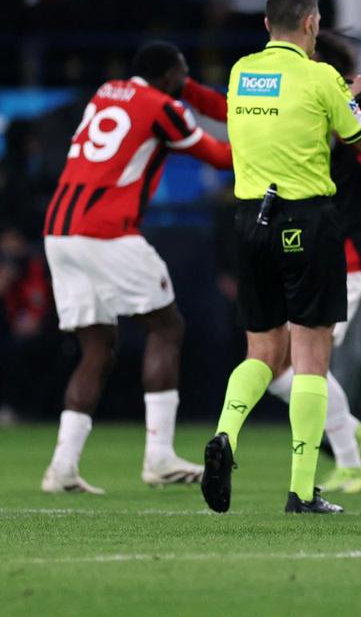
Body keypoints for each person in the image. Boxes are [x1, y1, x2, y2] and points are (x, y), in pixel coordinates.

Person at [202, 0, 361, 515]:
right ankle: (302, 489)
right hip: (307, 220)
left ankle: (224, 434)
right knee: (310, 358)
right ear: (311, 24)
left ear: (266, 25)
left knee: (260, 352)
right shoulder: (321, 77)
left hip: (249, 221)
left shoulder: (240, 73)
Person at [41, 41, 232, 494]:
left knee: (98, 346)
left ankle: (62, 467)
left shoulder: (107, 91)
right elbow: (221, 157)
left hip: (59, 231)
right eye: (182, 75)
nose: (184, 85)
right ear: (169, 75)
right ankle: (159, 456)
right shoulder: (162, 105)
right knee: (167, 328)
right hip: (106, 230)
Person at [262, 31, 361, 495]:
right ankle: (352, 428)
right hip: (305, 247)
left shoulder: (339, 107)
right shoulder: (332, 101)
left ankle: (351, 459)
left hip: (343, 253)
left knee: (307, 365)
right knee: (278, 367)